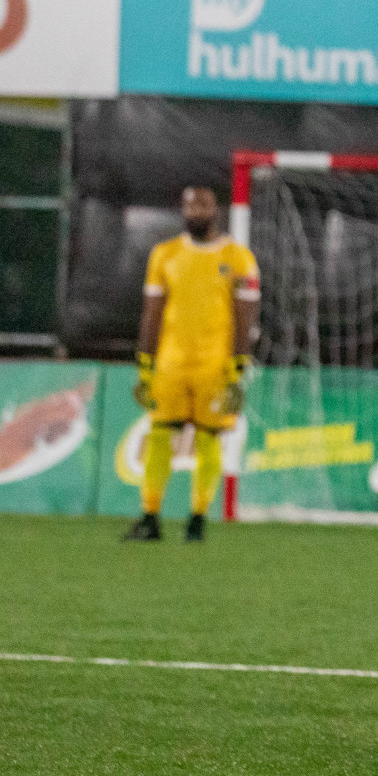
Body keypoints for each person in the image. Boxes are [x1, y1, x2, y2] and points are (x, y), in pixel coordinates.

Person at [123, 187, 259, 543]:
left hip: (214, 368)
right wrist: (144, 365)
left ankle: (197, 519)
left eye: (203, 206)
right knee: (159, 436)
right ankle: (150, 517)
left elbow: (245, 317)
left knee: (209, 440)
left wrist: (238, 367)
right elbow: (151, 313)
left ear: (217, 210)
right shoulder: (164, 255)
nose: (195, 212)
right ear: (181, 211)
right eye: (189, 206)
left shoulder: (238, 257)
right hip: (170, 366)